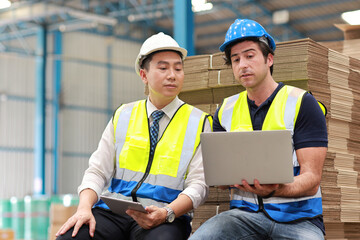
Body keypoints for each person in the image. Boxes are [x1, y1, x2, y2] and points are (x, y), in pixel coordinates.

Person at [56, 32, 212, 240]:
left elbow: (199, 185)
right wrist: (84, 208)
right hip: (112, 213)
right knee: (71, 237)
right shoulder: (123, 115)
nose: (172, 75)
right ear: (144, 75)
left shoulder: (199, 122)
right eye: (163, 68)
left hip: (164, 216)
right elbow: (97, 170)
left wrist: (167, 212)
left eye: (178, 68)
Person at [189, 19, 328, 240]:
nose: (242, 64)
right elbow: (220, 179)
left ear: (269, 58)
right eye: (235, 59)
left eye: (249, 55)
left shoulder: (302, 103)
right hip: (243, 218)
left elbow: (311, 179)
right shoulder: (225, 110)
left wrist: (275, 190)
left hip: (299, 219)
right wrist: (223, 178)